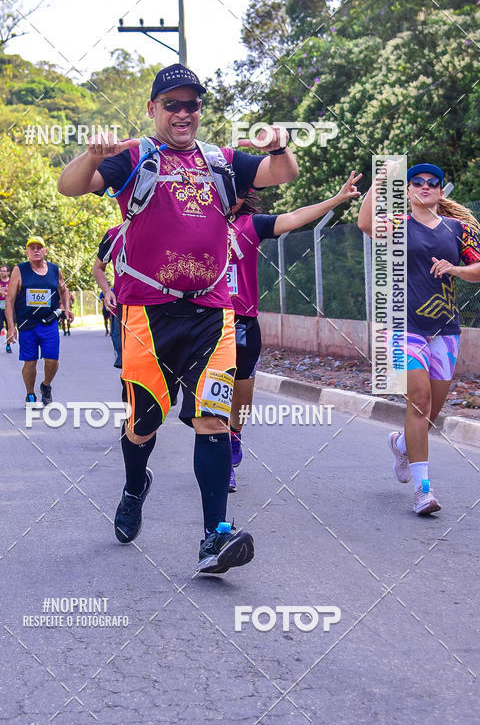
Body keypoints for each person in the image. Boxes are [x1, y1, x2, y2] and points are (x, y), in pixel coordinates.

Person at [58, 63, 299, 575]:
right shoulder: (134, 158)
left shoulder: (221, 160)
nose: (184, 113)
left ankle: (215, 536)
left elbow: (282, 174)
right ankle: (133, 486)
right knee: (144, 425)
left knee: (212, 417)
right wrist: (92, 156)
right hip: (148, 314)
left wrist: (279, 146)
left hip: (213, 313)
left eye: (192, 104)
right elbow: (69, 186)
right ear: (153, 109)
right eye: (173, 104)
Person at [358, 163, 480, 515]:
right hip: (404, 328)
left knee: (430, 414)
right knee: (420, 402)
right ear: (409, 190)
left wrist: (456, 269)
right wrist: (379, 182)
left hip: (446, 330)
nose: (425, 186)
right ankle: (423, 491)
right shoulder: (398, 225)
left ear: (441, 191)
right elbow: (365, 224)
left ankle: (400, 444)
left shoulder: (458, 229)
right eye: (417, 182)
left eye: (433, 183)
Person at [227, 173, 362, 491]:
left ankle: (235, 434)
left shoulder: (252, 225)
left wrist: (336, 199)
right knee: (212, 397)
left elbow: (295, 216)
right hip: (206, 323)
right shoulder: (195, 223)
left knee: (241, 400)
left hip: (243, 324)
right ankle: (221, 464)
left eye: (235, 191)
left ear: (244, 196)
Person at [5, 236, 73, 406]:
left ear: (45, 251)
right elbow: (10, 301)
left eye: (39, 247)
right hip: (27, 324)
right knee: (30, 361)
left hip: (48, 323)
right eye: (32, 248)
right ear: (27, 252)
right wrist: (11, 327)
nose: (35, 250)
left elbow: (64, 290)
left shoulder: (54, 270)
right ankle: (30, 394)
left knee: (52, 360)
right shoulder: (19, 270)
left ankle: (46, 385)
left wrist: (67, 308)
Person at [93, 226, 123, 368]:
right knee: (127, 368)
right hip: (121, 309)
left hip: (159, 310)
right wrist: (106, 291)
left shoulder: (162, 228)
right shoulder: (114, 234)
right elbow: (98, 267)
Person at [0, 265, 12, 353]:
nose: (2, 272)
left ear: (8, 272)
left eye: (4, 271)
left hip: (9, 307)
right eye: (1, 271)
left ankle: (8, 345)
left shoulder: (11, 282)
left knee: (9, 326)